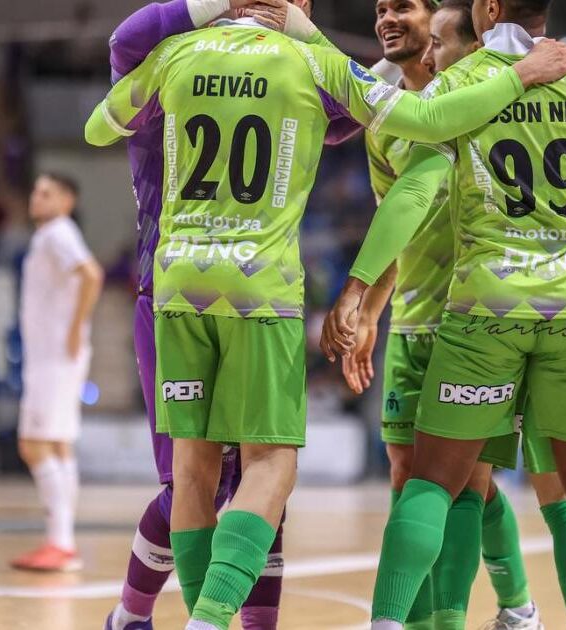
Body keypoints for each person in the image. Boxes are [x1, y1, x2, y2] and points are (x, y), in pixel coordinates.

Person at [85, 4, 566, 628]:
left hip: (177, 282)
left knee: (192, 473)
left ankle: (170, 615)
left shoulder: (175, 54)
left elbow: (98, 130)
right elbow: (427, 123)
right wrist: (519, 75)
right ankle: (205, 619)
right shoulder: (314, 63)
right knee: (273, 467)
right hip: (262, 288)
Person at [321, 0, 566, 627]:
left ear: (489, 9)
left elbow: (414, 192)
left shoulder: (459, 87)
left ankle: (392, 622)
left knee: (431, 483)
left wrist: (355, 287)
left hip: (483, 313)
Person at [100, 1, 354, 626]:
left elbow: (344, 115)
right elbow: (123, 41)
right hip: (177, 293)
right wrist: (221, 6)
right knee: (215, 478)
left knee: (251, 486)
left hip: (198, 288)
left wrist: (297, 33)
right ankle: (132, 616)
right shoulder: (177, 59)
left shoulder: (252, 66)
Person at [10, 173, 103, 572]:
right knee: (59, 445)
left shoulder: (58, 233)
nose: (36, 197)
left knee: (33, 444)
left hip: (54, 357)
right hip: (53, 356)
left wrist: (75, 327)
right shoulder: (51, 234)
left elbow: (92, 274)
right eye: (35, 190)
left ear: (67, 201)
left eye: (46, 192)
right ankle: (61, 543)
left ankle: (61, 543)